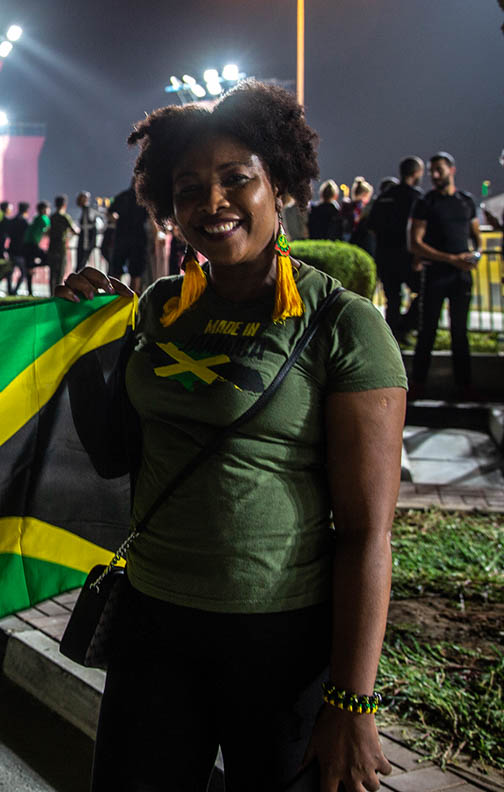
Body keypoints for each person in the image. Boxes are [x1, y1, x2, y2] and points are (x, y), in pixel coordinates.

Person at [57, 81, 405, 792]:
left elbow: (368, 534)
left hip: (278, 644)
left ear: (279, 185)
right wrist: (90, 342)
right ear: (167, 204)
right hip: (152, 631)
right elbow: (113, 454)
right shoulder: (155, 309)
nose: (211, 202)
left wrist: (352, 701)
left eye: (235, 179)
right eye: (188, 188)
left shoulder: (341, 324)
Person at [409, 152, 481, 400]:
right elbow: (415, 243)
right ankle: (418, 384)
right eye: (432, 171)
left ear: (452, 170)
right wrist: (452, 259)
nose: (435, 175)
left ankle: (465, 386)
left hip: (461, 277)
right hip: (436, 275)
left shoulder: (466, 201)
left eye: (439, 169)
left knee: (460, 333)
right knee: (427, 330)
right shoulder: (426, 202)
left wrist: (476, 255)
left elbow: (476, 235)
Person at [368, 157, 425, 338]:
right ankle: (405, 326)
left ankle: (394, 337)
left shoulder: (384, 197)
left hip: (385, 256)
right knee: (425, 291)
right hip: (407, 256)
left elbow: (371, 225)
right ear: (417, 173)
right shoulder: (415, 196)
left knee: (392, 300)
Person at [109, 178, 150, 294]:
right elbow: (151, 219)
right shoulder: (144, 198)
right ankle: (133, 298)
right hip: (138, 238)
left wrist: (116, 220)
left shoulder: (122, 197)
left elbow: (110, 213)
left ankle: (116, 296)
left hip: (122, 236)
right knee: (136, 271)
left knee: (117, 268)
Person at [10, 201, 49, 295]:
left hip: (25, 247)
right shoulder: (44, 218)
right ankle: (31, 267)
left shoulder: (35, 219)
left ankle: (30, 292)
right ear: (44, 209)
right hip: (32, 246)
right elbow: (49, 231)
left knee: (26, 273)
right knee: (47, 259)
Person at [46, 195, 79, 293]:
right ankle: (58, 294)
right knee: (60, 272)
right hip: (61, 248)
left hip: (51, 247)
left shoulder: (52, 217)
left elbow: (48, 231)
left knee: (52, 273)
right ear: (65, 205)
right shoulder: (65, 217)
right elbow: (75, 230)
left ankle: (51, 294)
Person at [75, 191, 100, 272]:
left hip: (87, 241)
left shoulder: (91, 210)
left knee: (82, 262)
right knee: (80, 262)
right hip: (84, 240)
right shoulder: (82, 210)